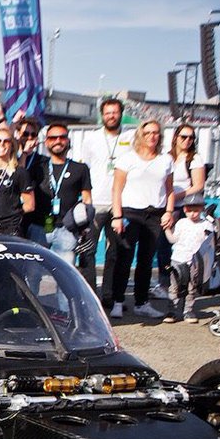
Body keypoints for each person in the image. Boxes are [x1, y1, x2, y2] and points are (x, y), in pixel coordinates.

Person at [110, 119, 174, 320]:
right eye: (147, 133)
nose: (152, 136)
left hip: (154, 214)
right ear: (140, 135)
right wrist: (117, 216)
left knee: (146, 261)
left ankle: (141, 302)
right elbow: (117, 189)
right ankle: (118, 302)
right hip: (130, 213)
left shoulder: (166, 160)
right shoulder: (127, 159)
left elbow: (169, 189)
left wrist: (169, 211)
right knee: (124, 258)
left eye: (155, 133)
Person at [76, 97, 134, 297]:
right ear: (102, 115)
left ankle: (109, 294)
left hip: (120, 203)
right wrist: (86, 200)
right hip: (95, 201)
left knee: (115, 251)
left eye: (115, 112)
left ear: (121, 114)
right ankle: (90, 294)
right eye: (108, 112)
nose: (111, 116)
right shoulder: (91, 139)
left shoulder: (132, 137)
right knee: (88, 249)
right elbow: (85, 169)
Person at [157, 123, 207, 292]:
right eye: (183, 137)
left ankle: (187, 282)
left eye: (191, 137)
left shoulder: (194, 159)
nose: (187, 140)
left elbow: (198, 185)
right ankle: (165, 282)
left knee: (185, 248)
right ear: (175, 138)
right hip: (166, 207)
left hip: (183, 208)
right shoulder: (167, 157)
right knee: (163, 246)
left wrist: (174, 196)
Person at [39, 124, 93, 263]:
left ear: (68, 140)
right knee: (32, 273)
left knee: (64, 276)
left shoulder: (80, 168)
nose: (58, 141)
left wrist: (84, 228)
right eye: (53, 138)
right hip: (39, 227)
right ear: (46, 142)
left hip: (67, 229)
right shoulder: (38, 166)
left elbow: (87, 199)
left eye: (62, 137)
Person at [162, 192, 214, 323]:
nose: (193, 214)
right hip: (178, 259)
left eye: (196, 210)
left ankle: (188, 311)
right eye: (190, 210)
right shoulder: (181, 223)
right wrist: (167, 230)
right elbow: (173, 240)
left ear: (202, 209)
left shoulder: (206, 224)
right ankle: (171, 311)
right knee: (174, 286)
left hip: (196, 261)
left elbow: (209, 244)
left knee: (192, 287)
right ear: (185, 210)